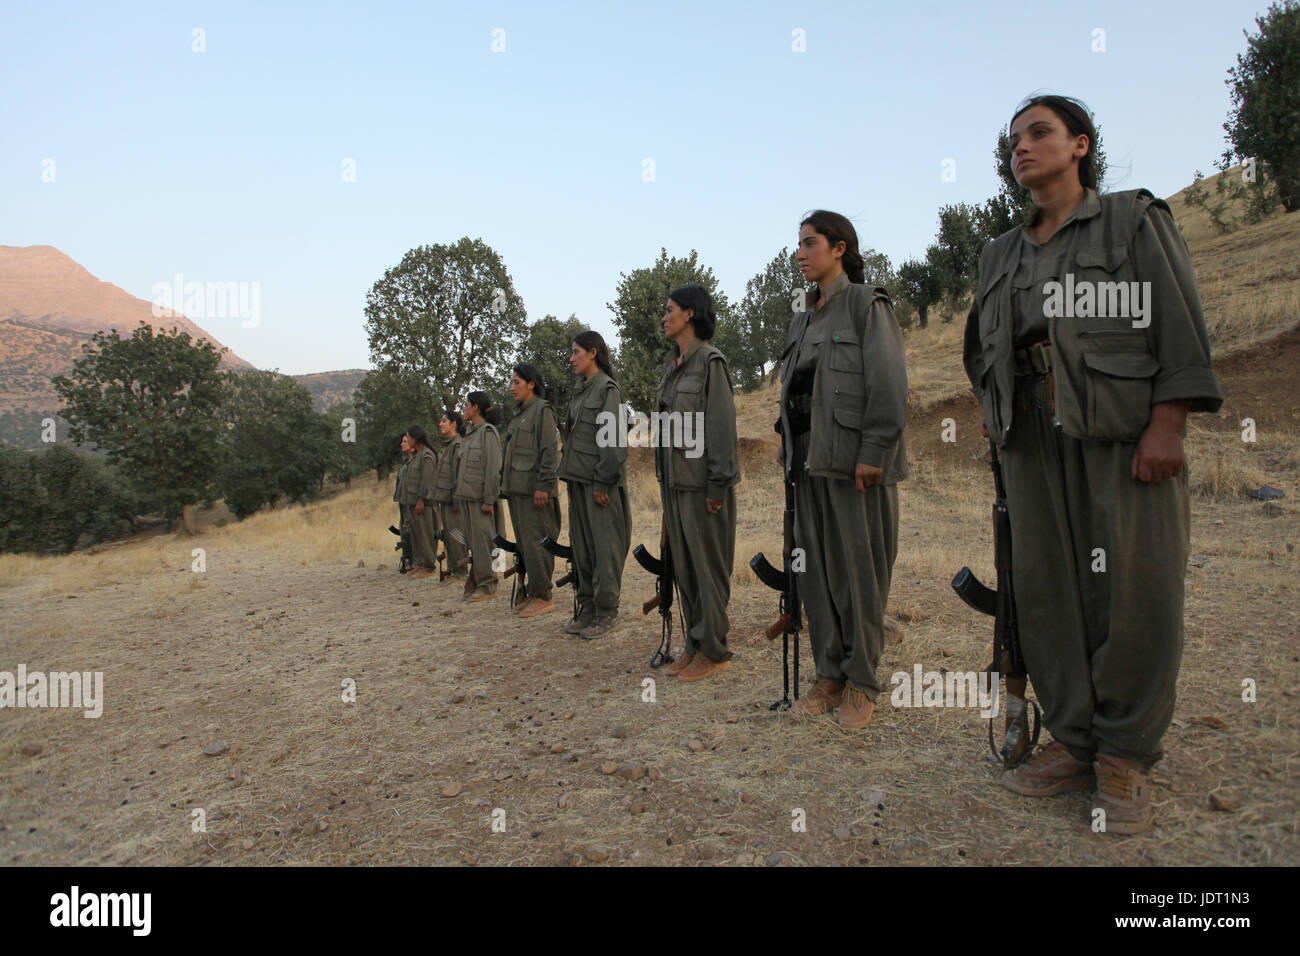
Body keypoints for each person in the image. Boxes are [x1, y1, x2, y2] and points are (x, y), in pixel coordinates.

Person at [963, 94, 1222, 834]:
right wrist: (994, 403)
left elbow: (1177, 322)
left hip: (1118, 428)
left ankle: (1124, 756)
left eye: (1039, 133)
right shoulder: (999, 253)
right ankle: (1075, 739)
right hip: (1032, 440)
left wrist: (1168, 424)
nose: (1022, 147)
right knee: (1047, 589)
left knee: (1135, 591)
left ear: (1080, 145)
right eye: (1013, 139)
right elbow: (982, 344)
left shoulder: (1132, 220)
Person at [777, 210, 909, 729]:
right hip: (809, 460)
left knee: (859, 575)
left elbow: (888, 381)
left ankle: (861, 682)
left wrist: (873, 450)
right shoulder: (802, 317)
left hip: (853, 461)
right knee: (816, 574)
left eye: (810, 243)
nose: (801, 253)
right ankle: (828, 674)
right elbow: (794, 390)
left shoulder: (865, 305)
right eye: (799, 245)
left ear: (839, 248)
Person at [655, 285, 740, 682]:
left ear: (690, 314)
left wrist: (718, 485)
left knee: (707, 570)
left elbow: (721, 428)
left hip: (702, 486)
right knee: (685, 570)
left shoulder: (711, 363)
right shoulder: (673, 368)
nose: (664, 316)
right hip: (675, 485)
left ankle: (715, 650)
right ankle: (693, 644)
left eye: (669, 310)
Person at [557, 331, 630, 639]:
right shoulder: (583, 391)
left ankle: (606, 612)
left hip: (600, 484)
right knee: (583, 550)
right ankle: (587, 607)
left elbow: (613, 441)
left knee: (605, 549)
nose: (572, 359)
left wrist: (603, 481)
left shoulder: (606, 390)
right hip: (579, 481)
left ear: (593, 353)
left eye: (576, 352)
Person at [502, 364, 562, 618]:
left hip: (535, 492)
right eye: (512, 382)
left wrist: (543, 486)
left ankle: (543, 596)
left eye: (517, 382)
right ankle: (533, 593)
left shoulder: (542, 412)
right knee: (526, 545)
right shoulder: (519, 415)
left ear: (531, 384)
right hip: (519, 491)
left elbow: (550, 451)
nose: (512, 387)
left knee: (539, 542)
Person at [454, 391, 503, 601]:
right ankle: (478, 579)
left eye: (466, 405)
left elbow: (493, 469)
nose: (463, 408)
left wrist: (489, 499)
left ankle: (488, 585)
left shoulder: (487, 433)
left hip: (480, 499)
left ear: (476, 408)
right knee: (474, 542)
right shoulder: (470, 434)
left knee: (484, 542)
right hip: (467, 496)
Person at [434, 410, 470, 579]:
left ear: (454, 424)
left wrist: (457, 500)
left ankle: (460, 570)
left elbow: (459, 474)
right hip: (445, 499)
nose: (441, 424)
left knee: (457, 535)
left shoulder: (457, 445)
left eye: (444, 421)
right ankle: (453, 568)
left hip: (454, 500)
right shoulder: (448, 446)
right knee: (449, 535)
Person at [404, 425, 439, 579]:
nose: (407, 440)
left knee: (426, 535)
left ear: (415, 438)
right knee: (417, 536)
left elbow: (427, 481)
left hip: (423, 504)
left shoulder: (427, 456)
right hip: (412, 502)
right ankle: (420, 564)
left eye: (409, 437)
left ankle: (429, 566)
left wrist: (421, 500)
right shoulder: (416, 456)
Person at [394, 432, 414, 572]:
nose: (402, 444)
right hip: (403, 502)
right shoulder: (406, 463)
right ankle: (406, 558)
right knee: (404, 530)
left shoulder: (417, 462)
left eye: (405, 441)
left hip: (411, 503)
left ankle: (413, 560)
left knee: (410, 531)